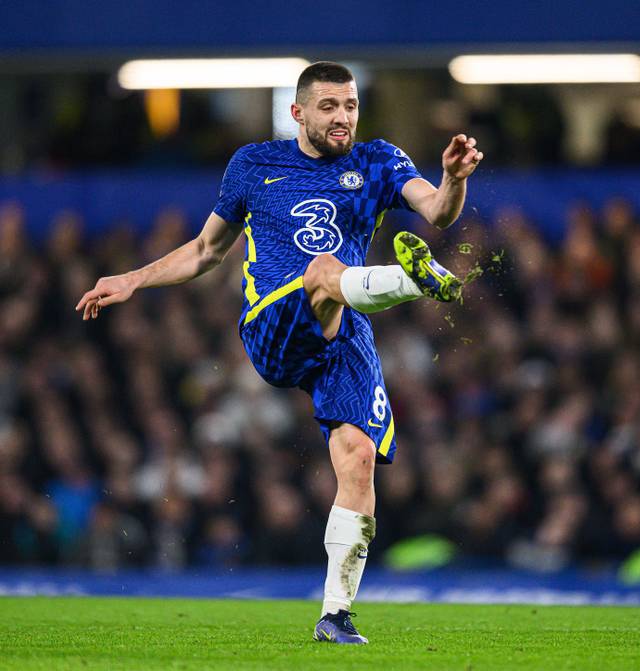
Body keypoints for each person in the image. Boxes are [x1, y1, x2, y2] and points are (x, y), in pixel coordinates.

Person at [75, 61, 483, 644]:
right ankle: (417, 281)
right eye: (328, 107)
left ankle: (335, 616)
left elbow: (439, 210)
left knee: (357, 455)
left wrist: (455, 178)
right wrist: (133, 280)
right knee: (322, 270)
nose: (342, 117)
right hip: (274, 321)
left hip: (345, 328)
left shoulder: (379, 161)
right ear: (297, 113)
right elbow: (205, 251)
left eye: (349, 106)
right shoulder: (253, 165)